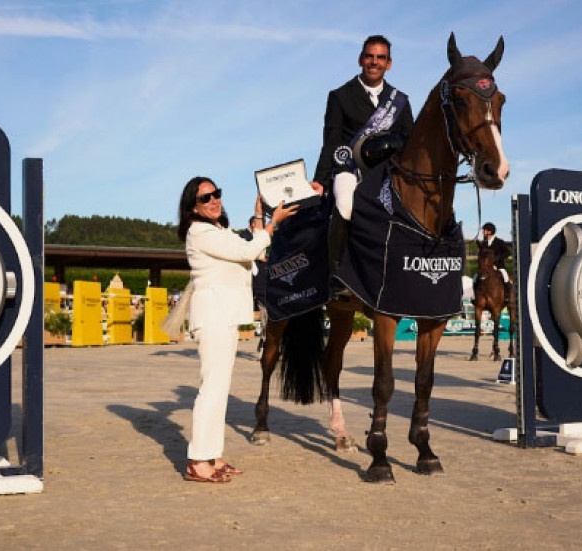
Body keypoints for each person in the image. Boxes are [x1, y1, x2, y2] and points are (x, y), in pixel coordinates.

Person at [176, 176, 297, 483]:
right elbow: (248, 252)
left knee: (219, 390)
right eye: (206, 198)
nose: (214, 200)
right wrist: (273, 223)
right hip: (213, 316)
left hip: (223, 317)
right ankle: (197, 462)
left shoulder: (217, 229)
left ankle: (212, 456)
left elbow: (251, 249)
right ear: (193, 207)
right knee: (211, 390)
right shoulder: (199, 231)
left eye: (216, 194)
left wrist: (259, 215)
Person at [309, 34, 414, 272]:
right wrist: (321, 180)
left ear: (389, 63)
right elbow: (331, 141)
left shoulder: (401, 101)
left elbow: (410, 140)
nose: (374, 62)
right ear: (360, 59)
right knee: (345, 204)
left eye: (380, 57)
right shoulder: (340, 96)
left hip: (387, 172)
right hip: (350, 169)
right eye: (369, 56)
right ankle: (336, 273)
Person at [476, 222, 512, 296]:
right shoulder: (484, 243)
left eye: (484, 230)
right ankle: (475, 297)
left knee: (506, 278)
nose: (482, 232)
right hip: (486, 268)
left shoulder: (499, 242)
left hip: (498, 266)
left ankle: (507, 297)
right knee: (475, 279)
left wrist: (496, 259)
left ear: (489, 231)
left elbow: (507, 253)